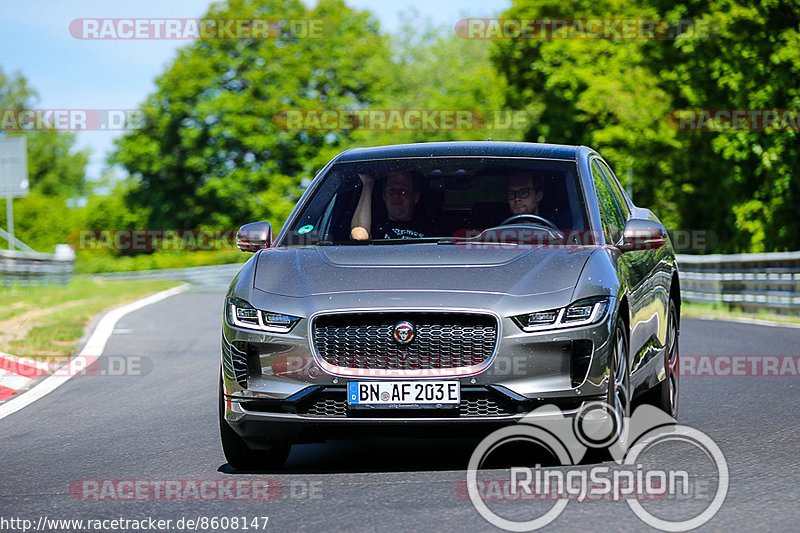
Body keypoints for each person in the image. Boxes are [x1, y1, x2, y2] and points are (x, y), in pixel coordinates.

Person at [350, 170, 428, 240]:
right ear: (384, 195)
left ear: (415, 197)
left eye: (402, 191)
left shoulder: (430, 230)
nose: (396, 196)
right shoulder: (375, 227)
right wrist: (368, 184)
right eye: (392, 190)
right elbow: (359, 236)